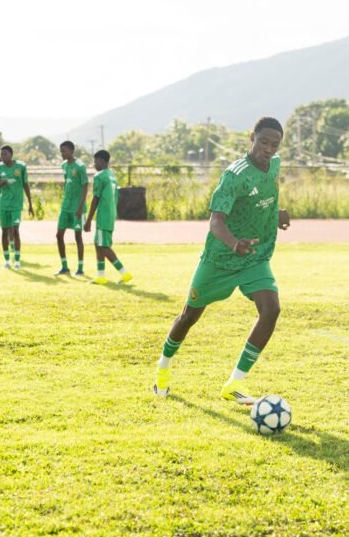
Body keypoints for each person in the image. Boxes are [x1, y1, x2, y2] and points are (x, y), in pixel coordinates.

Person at [153, 116, 290, 404]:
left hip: (253, 257)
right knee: (189, 317)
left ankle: (233, 384)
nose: (268, 149)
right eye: (263, 142)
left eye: (275, 144)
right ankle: (162, 368)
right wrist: (234, 243)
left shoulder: (274, 165)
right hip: (220, 259)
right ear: (251, 138)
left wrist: (277, 213)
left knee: (271, 309)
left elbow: (267, 194)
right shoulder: (234, 175)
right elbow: (216, 221)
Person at [83, 150, 132, 285]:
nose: (94, 164)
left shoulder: (99, 176)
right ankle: (101, 276)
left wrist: (88, 220)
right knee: (98, 243)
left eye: (95, 161)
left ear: (102, 161)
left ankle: (124, 273)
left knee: (103, 246)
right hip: (110, 213)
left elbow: (95, 198)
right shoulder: (112, 176)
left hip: (103, 215)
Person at [0, 146, 34, 269]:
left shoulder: (21, 166)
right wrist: (0, 184)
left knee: (15, 230)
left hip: (16, 204)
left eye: (5, 154)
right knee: (4, 231)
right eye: (1, 154)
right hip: (4, 204)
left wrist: (30, 204)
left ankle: (17, 261)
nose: (3, 157)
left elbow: (26, 184)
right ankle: (6, 261)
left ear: (11, 154)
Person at [55, 140, 89, 276]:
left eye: (64, 151)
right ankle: (64, 267)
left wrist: (80, 207)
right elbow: (66, 181)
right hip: (65, 206)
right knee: (59, 235)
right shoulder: (64, 165)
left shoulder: (80, 166)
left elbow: (85, 186)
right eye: (61, 152)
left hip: (77, 208)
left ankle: (80, 269)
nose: (62, 154)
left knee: (78, 237)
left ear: (71, 151)